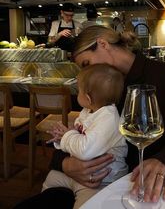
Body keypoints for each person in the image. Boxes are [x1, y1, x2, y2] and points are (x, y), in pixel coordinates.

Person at [14, 25, 165, 208]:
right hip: (91, 186)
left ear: (102, 43)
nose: (86, 74)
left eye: (86, 64)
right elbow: (81, 134)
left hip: (150, 194)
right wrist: (64, 163)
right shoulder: (99, 90)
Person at [43, 64, 128, 202]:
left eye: (79, 90)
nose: (77, 93)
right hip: (81, 172)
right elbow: (77, 137)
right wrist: (61, 138)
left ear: (88, 98)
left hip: (102, 180)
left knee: (86, 204)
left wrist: (67, 136)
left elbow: (84, 150)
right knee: (52, 177)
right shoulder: (88, 111)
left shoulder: (109, 118)